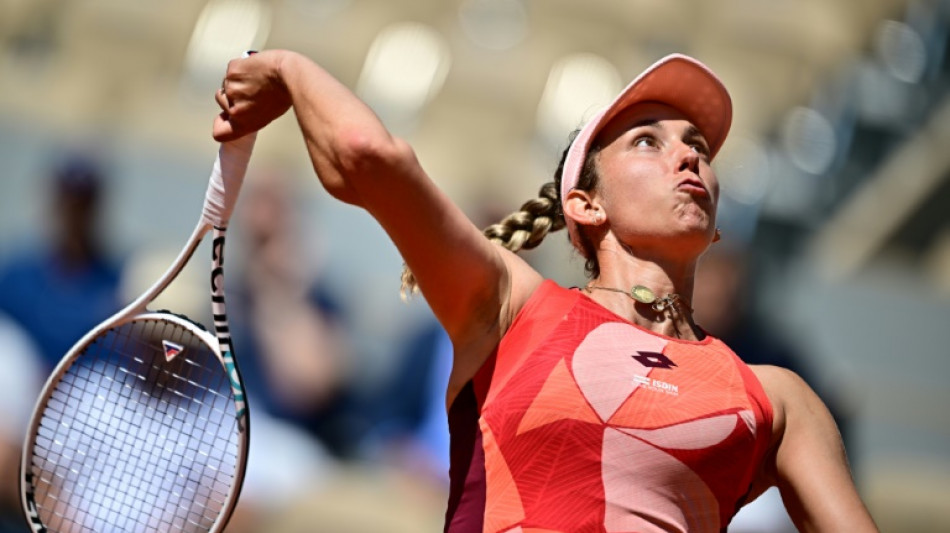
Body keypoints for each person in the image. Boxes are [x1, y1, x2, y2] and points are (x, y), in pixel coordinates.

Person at [213, 50, 879, 532]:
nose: (689, 157)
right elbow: (366, 153)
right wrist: (288, 71)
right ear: (585, 203)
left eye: (698, 146)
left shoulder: (777, 399)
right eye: (649, 141)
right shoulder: (512, 308)